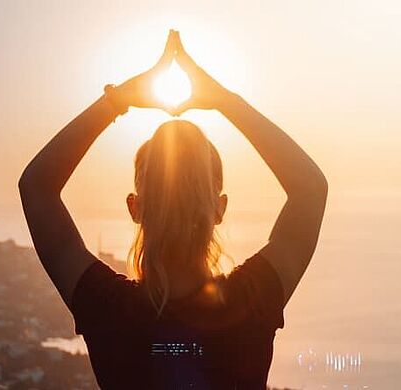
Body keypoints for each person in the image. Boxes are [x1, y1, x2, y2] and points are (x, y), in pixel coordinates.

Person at [18, 30, 329, 389]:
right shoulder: (251, 302)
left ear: (135, 208)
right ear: (220, 209)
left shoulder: (108, 308)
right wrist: (226, 101)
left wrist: (117, 100)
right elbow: (311, 189)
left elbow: (36, 187)